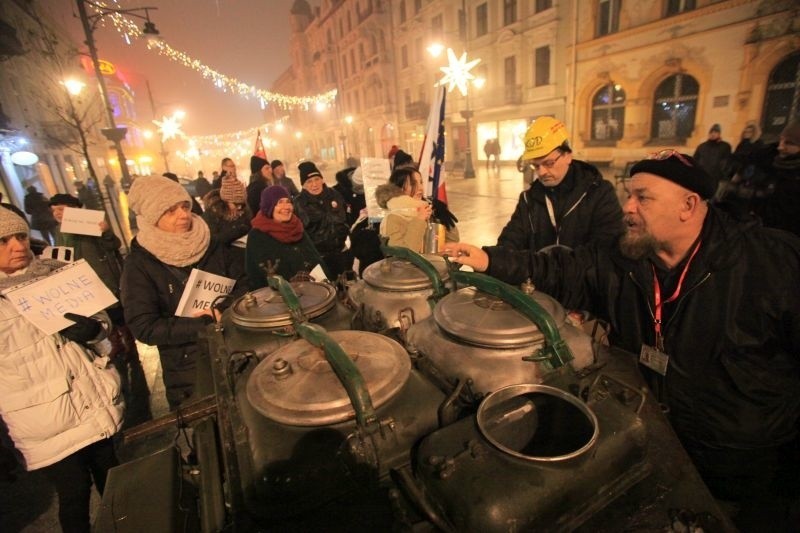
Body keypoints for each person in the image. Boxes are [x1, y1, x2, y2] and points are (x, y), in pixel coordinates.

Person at [445, 151, 800, 533]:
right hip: (658, 441)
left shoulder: (772, 265)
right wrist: (489, 260)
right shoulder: (624, 260)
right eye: (628, 195)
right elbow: (560, 269)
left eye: (642, 198)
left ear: (689, 204)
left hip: (748, 475)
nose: (627, 208)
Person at [0, 208, 124, 532]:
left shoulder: (56, 272)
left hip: (89, 401)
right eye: (3, 240)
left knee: (115, 481)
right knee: (74, 493)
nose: (17, 246)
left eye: (21, 236)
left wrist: (94, 329)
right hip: (44, 420)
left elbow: (102, 322)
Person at [121, 175, 246, 409]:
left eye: (185, 206)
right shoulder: (139, 264)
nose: (183, 215)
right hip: (188, 369)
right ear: (152, 217)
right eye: (170, 211)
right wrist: (201, 324)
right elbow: (144, 326)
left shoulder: (211, 243)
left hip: (233, 350)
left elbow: (243, 283)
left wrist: (223, 311)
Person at [497, 116, 623, 252]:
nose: (542, 172)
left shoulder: (600, 193)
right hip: (539, 272)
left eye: (549, 163)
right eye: (536, 166)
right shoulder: (529, 199)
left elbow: (606, 250)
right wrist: (493, 259)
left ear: (568, 156)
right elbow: (511, 238)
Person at [245, 185, 330, 288]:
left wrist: (328, 282)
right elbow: (256, 277)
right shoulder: (257, 236)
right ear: (269, 206)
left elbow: (316, 259)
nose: (286, 207)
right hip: (280, 299)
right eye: (280, 202)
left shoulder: (297, 227)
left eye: (288, 201)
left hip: (314, 291)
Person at [294, 161, 351, 278]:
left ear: (322, 180)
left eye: (316, 179)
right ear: (303, 185)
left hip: (340, 252)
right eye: (309, 182)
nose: (314, 184)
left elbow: (347, 217)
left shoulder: (335, 195)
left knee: (344, 289)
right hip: (317, 258)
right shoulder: (299, 203)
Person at [751, 121, 800, 238]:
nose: (780, 147)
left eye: (789, 143)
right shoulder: (769, 163)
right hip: (765, 234)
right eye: (781, 140)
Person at [375, 166, 432, 252]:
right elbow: (404, 255)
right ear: (400, 189)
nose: (421, 188)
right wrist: (419, 220)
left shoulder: (424, 209)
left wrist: (442, 218)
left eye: (421, 182)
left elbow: (451, 241)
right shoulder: (393, 218)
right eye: (413, 184)